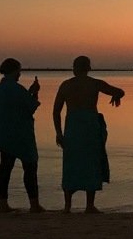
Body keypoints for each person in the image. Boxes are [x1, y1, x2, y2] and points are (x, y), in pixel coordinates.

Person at [53, 55, 125, 213]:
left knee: (71, 164)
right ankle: (89, 205)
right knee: (91, 163)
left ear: (74, 68)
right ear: (88, 68)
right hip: (89, 126)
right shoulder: (94, 83)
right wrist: (116, 96)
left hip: (72, 127)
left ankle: (67, 206)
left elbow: (56, 111)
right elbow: (120, 91)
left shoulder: (66, 85)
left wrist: (58, 132)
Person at [0, 58, 44, 213]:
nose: (20, 74)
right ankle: (34, 204)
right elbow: (31, 106)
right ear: (14, 71)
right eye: (19, 71)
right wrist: (34, 92)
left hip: (5, 133)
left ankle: (3, 204)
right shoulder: (17, 89)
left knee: (5, 168)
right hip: (22, 134)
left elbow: (17, 104)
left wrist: (29, 92)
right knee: (30, 168)